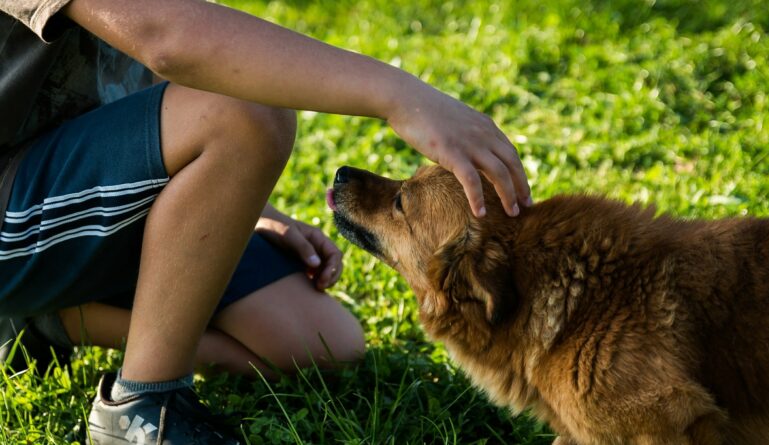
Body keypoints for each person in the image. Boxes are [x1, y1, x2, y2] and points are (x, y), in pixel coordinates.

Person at [0, 0, 532, 443]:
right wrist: (403, 97)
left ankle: (46, 319)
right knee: (248, 112)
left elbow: (139, 70)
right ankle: (144, 411)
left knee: (319, 344)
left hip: (71, 184)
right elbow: (167, 37)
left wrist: (237, 203)